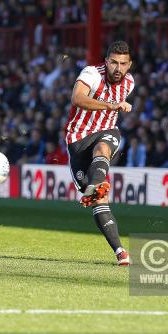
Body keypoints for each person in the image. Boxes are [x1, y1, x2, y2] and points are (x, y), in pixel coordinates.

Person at [64, 40, 134, 266]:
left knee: (103, 148)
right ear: (106, 61)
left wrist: (111, 110)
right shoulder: (92, 73)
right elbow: (77, 98)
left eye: (123, 63)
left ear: (129, 64)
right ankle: (94, 186)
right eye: (113, 62)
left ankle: (121, 252)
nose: (118, 68)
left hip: (106, 132)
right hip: (78, 139)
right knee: (99, 202)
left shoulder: (129, 83)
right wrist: (110, 106)